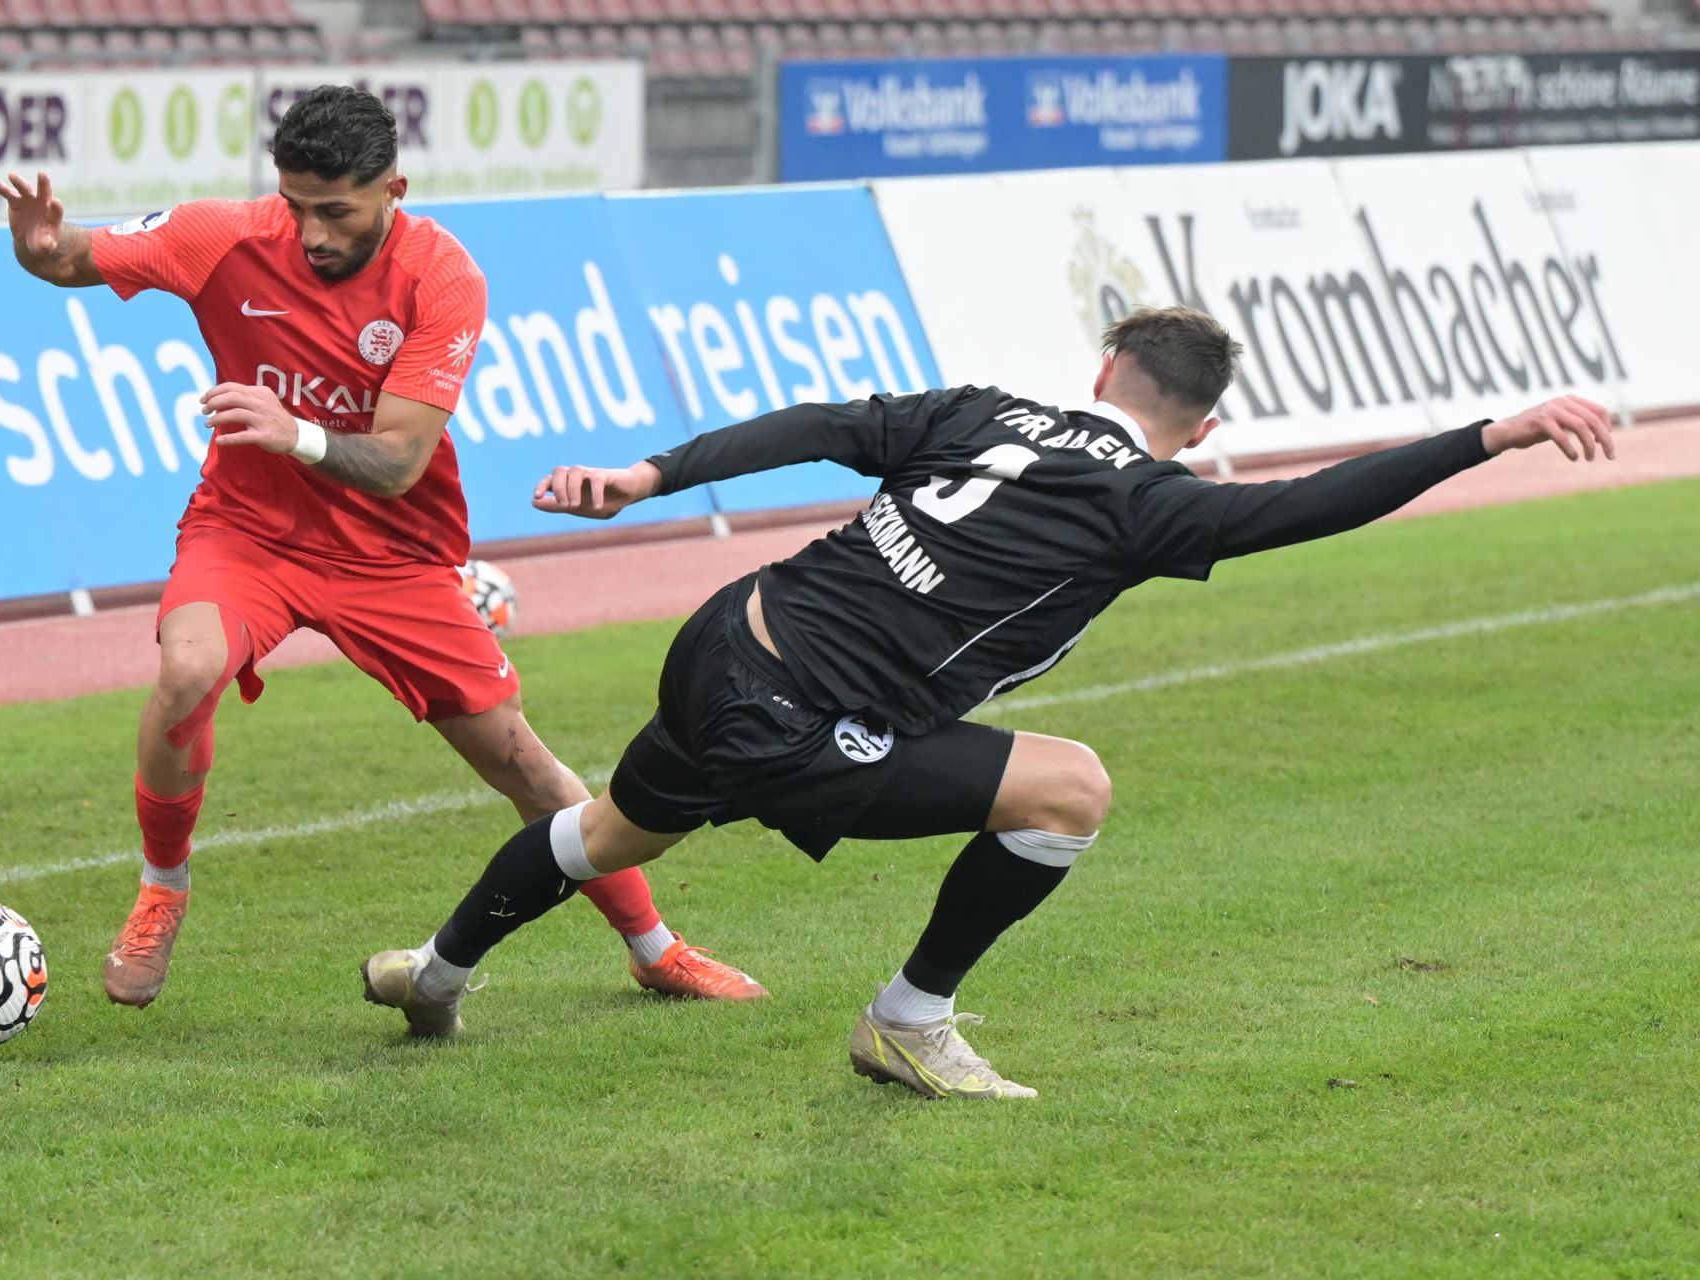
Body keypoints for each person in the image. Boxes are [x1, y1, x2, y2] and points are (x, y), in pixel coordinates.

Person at [360, 305, 1617, 1097]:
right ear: (1203, 423)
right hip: (804, 715)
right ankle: (908, 1021)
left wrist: (650, 474)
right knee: (1072, 786)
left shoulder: (979, 410)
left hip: (722, 638)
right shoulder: (1149, 501)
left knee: (615, 828)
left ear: (1104, 365)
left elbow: (821, 423)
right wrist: (1490, 433)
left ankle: (438, 966)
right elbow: (1313, 503)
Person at [0, 85, 763, 1010]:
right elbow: (73, 257)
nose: (311, 233)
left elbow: (397, 463)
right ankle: (163, 888)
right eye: (295, 206)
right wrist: (37, 251)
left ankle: (653, 947)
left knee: (521, 763)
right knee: (186, 674)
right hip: (249, 532)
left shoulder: (442, 276)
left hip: (393, 556)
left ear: (394, 186)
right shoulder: (221, 233)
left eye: (336, 211)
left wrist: (295, 432)